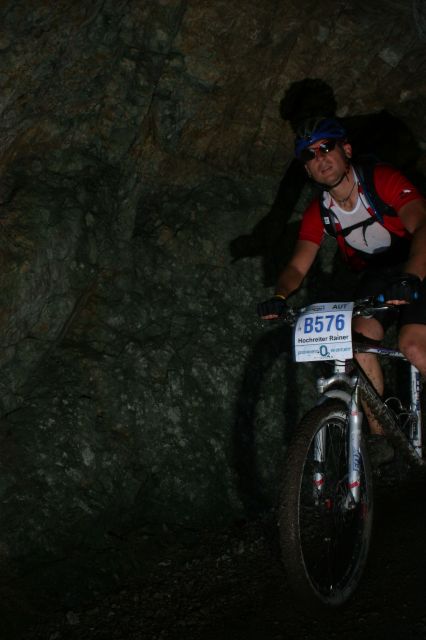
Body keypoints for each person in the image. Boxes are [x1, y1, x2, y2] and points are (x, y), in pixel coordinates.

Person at [257, 117, 426, 465]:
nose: (320, 158)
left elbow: (423, 224)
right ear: (307, 168)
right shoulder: (319, 212)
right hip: (378, 275)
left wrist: (412, 276)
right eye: (309, 155)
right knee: (357, 345)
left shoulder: (380, 179)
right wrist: (280, 296)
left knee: (412, 346)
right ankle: (382, 440)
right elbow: (297, 266)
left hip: (418, 262)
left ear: (346, 150)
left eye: (326, 147)